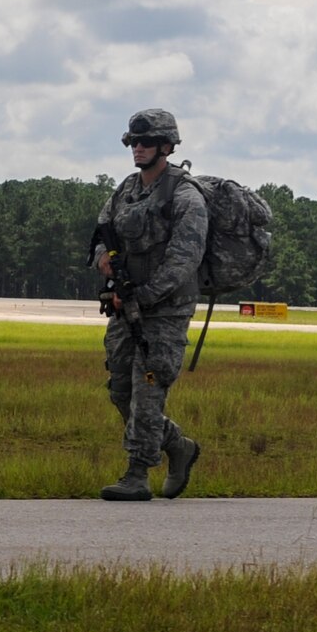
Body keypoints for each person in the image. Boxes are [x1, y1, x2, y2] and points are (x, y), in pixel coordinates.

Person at [91, 109, 208, 502]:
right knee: (120, 389)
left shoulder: (185, 195)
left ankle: (137, 473)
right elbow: (102, 231)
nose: (137, 148)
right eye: (134, 142)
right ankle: (176, 445)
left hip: (165, 311)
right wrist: (103, 260)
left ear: (167, 147)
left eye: (146, 143)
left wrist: (143, 295)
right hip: (126, 307)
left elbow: (183, 260)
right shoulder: (126, 189)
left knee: (148, 388)